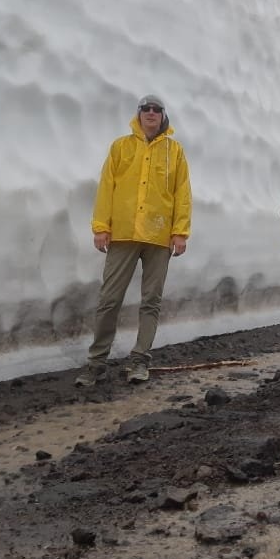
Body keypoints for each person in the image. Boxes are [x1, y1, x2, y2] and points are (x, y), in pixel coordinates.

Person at [75, 94, 192, 387]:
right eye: (146, 109)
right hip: (124, 233)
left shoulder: (174, 151)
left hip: (158, 234)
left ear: (163, 115)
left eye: (156, 109)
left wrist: (180, 232)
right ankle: (97, 362)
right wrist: (101, 227)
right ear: (138, 114)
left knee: (151, 301)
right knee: (109, 299)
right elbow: (106, 188)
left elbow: (182, 194)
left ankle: (140, 360)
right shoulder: (121, 147)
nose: (151, 113)